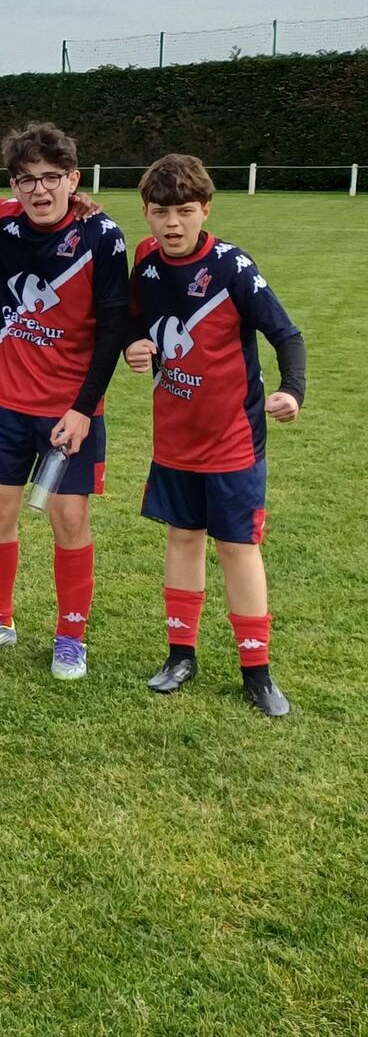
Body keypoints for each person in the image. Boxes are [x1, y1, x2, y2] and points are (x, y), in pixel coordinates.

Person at [0, 123, 130, 680]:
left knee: (69, 518)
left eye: (52, 178)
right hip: (4, 400)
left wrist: (83, 408)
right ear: (13, 185)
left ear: (74, 178)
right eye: (27, 180)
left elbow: (114, 327)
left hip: (69, 408)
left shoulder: (102, 235)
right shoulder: (2, 222)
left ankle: (71, 635)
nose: (40, 190)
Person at [124, 153, 304, 716]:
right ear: (147, 213)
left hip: (233, 439)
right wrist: (135, 345)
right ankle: (181, 656)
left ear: (205, 209)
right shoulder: (145, 260)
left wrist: (292, 390)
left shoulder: (232, 267)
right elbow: (135, 319)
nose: (172, 223)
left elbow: (286, 333)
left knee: (236, 547)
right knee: (183, 538)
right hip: (174, 436)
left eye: (184, 210)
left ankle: (257, 672)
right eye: (161, 212)